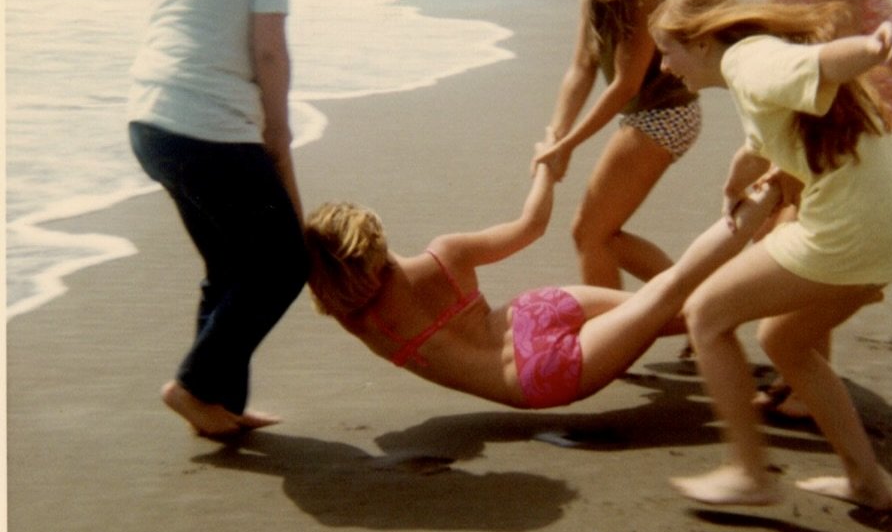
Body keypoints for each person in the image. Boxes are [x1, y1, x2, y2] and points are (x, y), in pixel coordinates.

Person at [648, 0, 892, 510]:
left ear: (703, 43)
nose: (664, 67)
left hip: (855, 226)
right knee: (784, 339)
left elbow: (827, 61)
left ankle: (749, 474)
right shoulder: (756, 68)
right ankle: (866, 483)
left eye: (668, 51)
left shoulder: (750, 61)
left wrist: (877, 46)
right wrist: (736, 183)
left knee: (706, 314)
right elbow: (762, 144)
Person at [303, 140, 781, 412]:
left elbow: (309, 260)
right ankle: (776, 259)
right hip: (528, 315)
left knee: (667, 297)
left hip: (534, 376)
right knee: (668, 305)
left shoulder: (357, 320)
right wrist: (546, 170)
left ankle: (769, 244)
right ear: (376, 239)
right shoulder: (443, 256)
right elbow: (531, 226)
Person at [711, 0, 892, 419]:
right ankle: (801, 373)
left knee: (805, 236)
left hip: (871, 122)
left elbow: (835, 60)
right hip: (818, 121)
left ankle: (801, 371)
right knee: (791, 233)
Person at [128, 0, 309, 438]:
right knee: (285, 263)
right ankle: (196, 384)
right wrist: (278, 133)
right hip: (207, 127)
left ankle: (219, 406)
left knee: (229, 265)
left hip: (151, 120)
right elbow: (267, 49)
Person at [534, 0, 701, 290]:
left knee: (589, 233)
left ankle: (623, 329)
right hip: (648, 113)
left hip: (666, 113)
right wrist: (557, 132)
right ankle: (689, 307)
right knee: (598, 235)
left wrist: (567, 145)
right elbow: (581, 68)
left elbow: (626, 83)